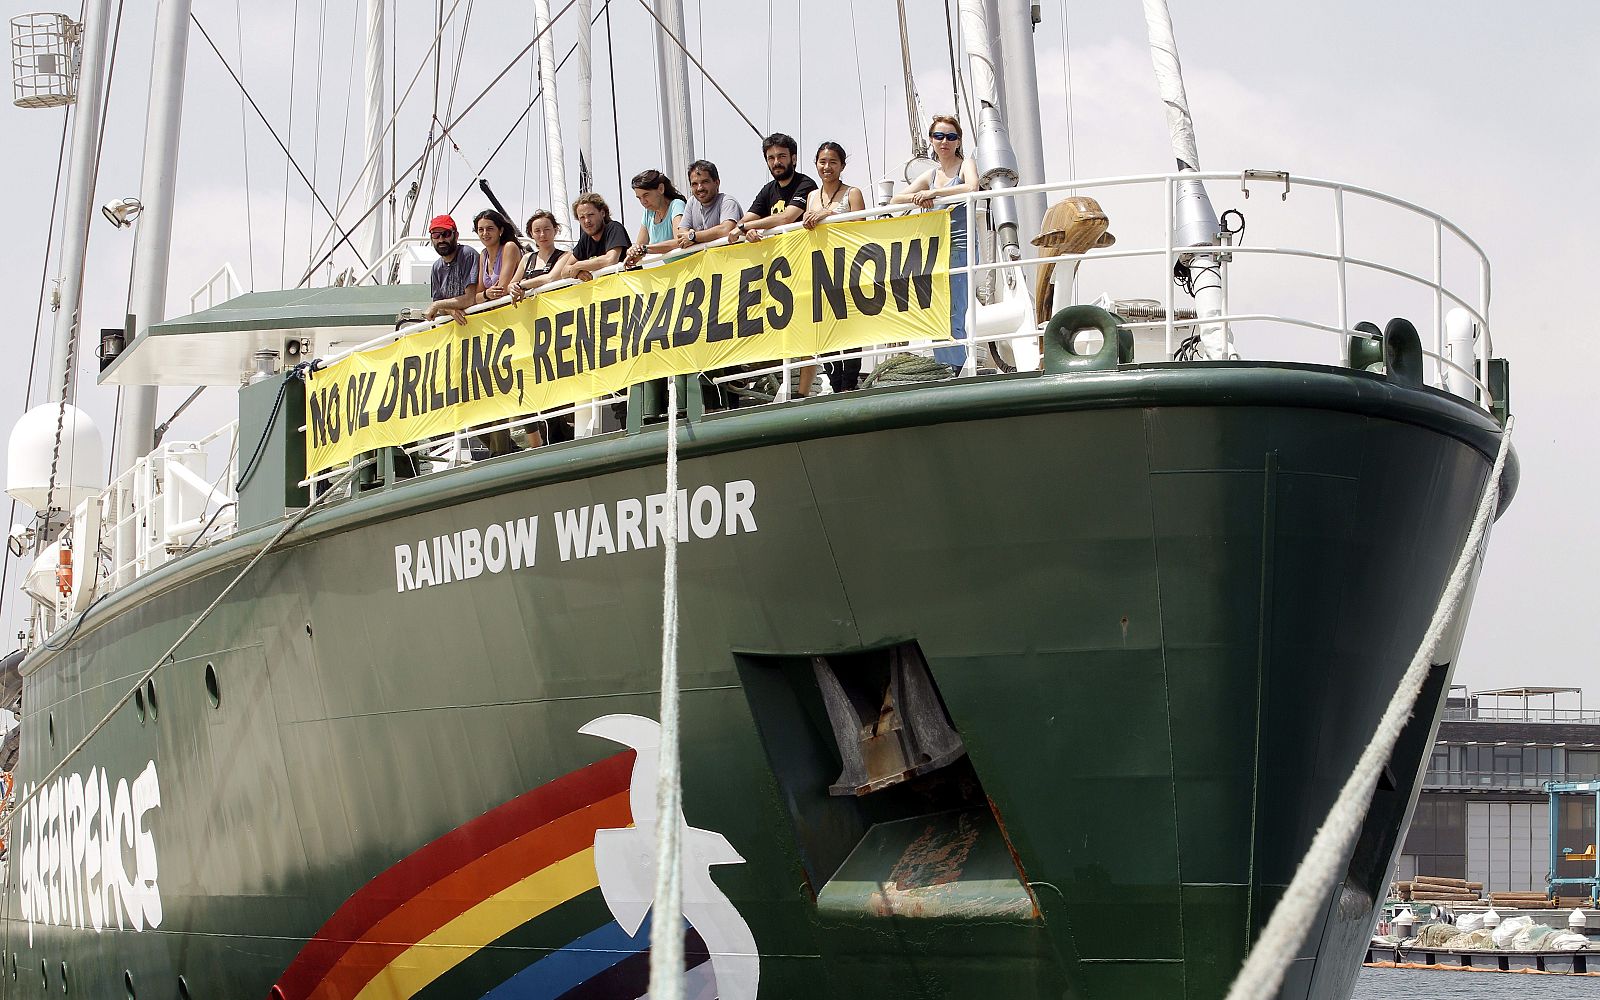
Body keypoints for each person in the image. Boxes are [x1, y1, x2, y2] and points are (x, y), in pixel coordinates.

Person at [892, 114, 978, 370]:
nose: (945, 141)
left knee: (955, 308)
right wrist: (920, 197)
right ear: (931, 140)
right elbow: (896, 200)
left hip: (959, 244)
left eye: (951, 137)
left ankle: (958, 368)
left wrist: (935, 193)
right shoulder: (930, 174)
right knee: (935, 308)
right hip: (933, 248)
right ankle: (945, 365)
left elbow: (972, 187)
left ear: (958, 141)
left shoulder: (965, 166)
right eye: (939, 136)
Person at [732, 132, 817, 244]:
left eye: (782, 156)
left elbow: (786, 218)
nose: (776, 162)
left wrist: (746, 226)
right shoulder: (768, 189)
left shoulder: (805, 184)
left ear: (794, 159)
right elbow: (743, 221)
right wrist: (748, 230)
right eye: (771, 158)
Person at [553, 193, 630, 282]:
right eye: (582, 217)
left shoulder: (614, 228)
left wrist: (579, 266)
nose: (587, 221)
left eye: (590, 215)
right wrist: (578, 273)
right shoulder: (585, 239)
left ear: (602, 213)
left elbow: (610, 260)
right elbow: (564, 271)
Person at [423, 214, 480, 324]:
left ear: (456, 235)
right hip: (452, 331)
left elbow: (470, 299)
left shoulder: (467, 255)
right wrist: (450, 310)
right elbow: (439, 305)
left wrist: (437, 305)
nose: (441, 239)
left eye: (446, 234)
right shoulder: (436, 267)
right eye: (436, 235)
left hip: (475, 326)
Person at [675, 159, 743, 250]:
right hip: (706, 263)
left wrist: (694, 236)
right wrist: (692, 235)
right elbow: (682, 234)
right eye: (694, 184)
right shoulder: (692, 202)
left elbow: (725, 230)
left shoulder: (727, 202)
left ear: (717, 183)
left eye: (705, 182)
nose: (700, 188)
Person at [624, 169, 687, 266]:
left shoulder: (677, 205)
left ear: (661, 189)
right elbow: (640, 246)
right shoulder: (648, 213)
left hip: (692, 269)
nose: (643, 201)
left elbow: (680, 241)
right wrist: (632, 252)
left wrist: (645, 249)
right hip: (674, 272)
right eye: (639, 198)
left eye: (646, 195)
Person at [802, 141, 865, 229]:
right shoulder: (811, 196)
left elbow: (861, 228)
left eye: (833, 162)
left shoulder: (853, 193)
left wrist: (830, 214)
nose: (827, 167)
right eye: (822, 162)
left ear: (842, 166)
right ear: (816, 164)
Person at [510, 210, 569, 300]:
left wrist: (522, 285)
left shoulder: (566, 256)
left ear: (555, 230)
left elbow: (550, 278)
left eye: (547, 229)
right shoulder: (527, 258)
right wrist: (514, 288)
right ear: (531, 234)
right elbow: (511, 285)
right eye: (537, 231)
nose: (542, 235)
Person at [472, 209, 523, 306]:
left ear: (501, 230)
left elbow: (501, 291)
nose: (485, 233)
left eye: (490, 229)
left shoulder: (509, 247)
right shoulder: (483, 255)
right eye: (481, 230)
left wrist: (484, 295)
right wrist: (486, 294)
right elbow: (476, 297)